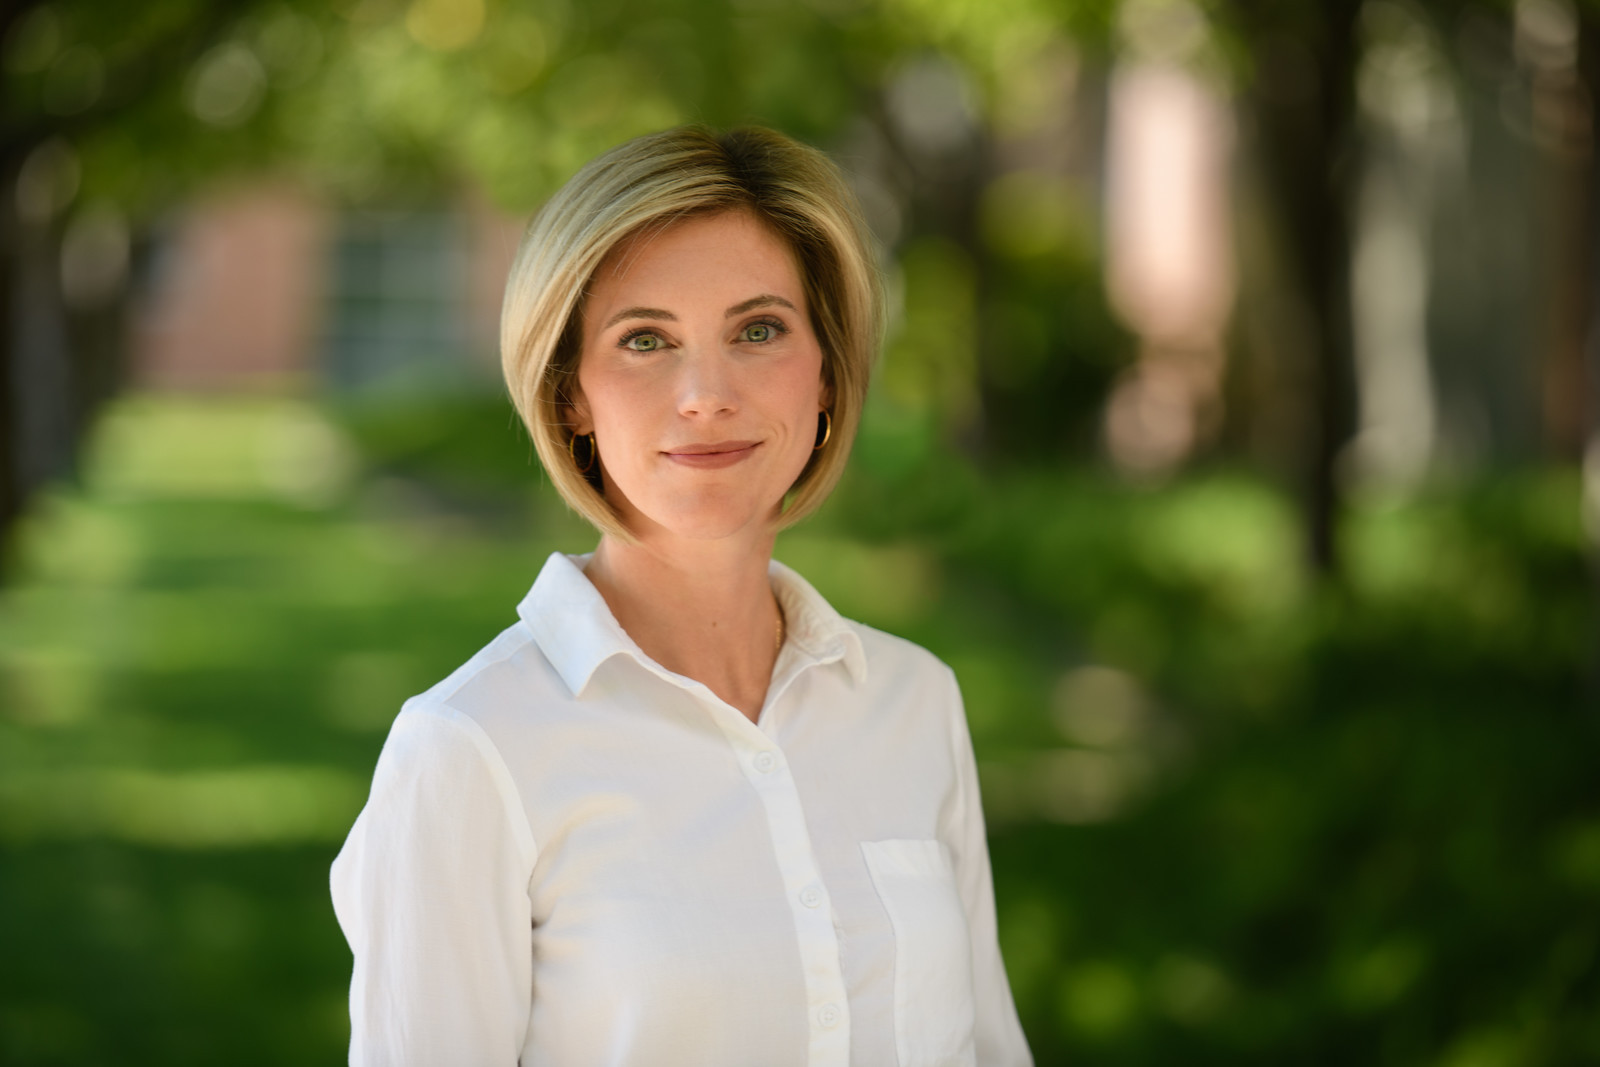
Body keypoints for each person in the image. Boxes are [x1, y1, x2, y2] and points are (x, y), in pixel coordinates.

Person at [330, 125, 1032, 1067]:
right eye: (646, 340)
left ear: (826, 368)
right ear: (570, 391)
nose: (707, 393)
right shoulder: (468, 750)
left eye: (759, 329)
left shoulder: (914, 702)